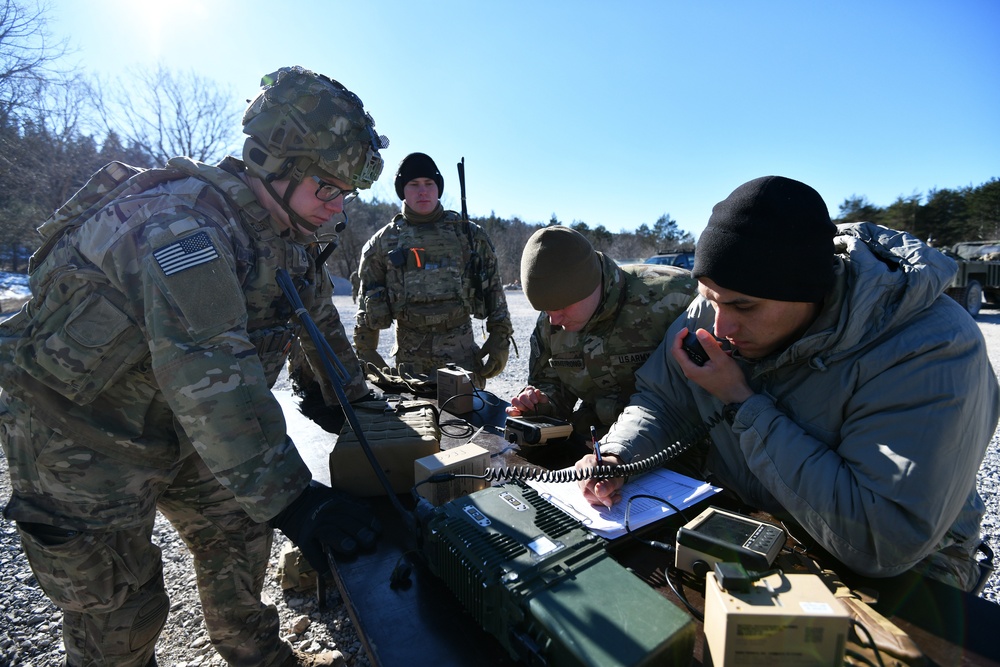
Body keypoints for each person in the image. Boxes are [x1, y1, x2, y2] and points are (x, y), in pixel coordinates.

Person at [0, 66, 389, 667]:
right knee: (118, 611)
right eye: (328, 189)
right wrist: (297, 500)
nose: (337, 207)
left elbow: (320, 326)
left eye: (345, 193)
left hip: (186, 430)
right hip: (79, 441)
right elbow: (208, 369)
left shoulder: (286, 233)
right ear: (274, 164)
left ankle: (255, 653)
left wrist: (355, 404)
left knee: (239, 531)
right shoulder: (179, 224)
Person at [578, 175, 999, 592]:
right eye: (710, 298)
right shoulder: (719, 305)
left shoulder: (928, 346)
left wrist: (742, 402)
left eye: (744, 306)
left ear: (810, 291)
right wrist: (619, 456)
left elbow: (881, 542)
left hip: (910, 566)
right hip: (762, 517)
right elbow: (662, 399)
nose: (721, 326)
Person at [506, 226, 697, 440]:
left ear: (589, 285)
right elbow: (550, 384)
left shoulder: (677, 297)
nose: (553, 320)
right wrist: (539, 405)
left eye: (561, 307)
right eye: (545, 309)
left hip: (674, 445)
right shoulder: (551, 321)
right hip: (595, 444)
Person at [354, 152, 513, 388]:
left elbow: (494, 290)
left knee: (470, 422)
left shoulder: (469, 235)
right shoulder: (381, 244)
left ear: (438, 188)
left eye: (429, 184)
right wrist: (367, 353)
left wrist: (500, 337)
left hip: (463, 361)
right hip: (409, 365)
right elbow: (367, 305)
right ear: (402, 190)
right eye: (414, 184)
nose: (423, 191)